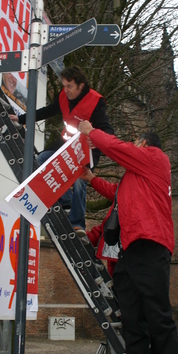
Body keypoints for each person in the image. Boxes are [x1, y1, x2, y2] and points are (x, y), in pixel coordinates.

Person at [78, 121, 178, 354]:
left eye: (135, 143)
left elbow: (118, 148)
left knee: (157, 315)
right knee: (132, 318)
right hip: (130, 250)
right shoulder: (137, 178)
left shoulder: (155, 158)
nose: (132, 148)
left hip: (150, 244)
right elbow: (116, 193)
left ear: (144, 144)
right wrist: (91, 180)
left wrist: (92, 132)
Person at [10, 65, 113, 233]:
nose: (66, 90)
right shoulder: (64, 96)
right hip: (66, 142)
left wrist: (98, 139)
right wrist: (22, 118)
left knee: (79, 179)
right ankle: (66, 202)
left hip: (86, 148)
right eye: (64, 85)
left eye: (70, 86)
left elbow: (107, 129)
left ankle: (77, 223)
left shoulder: (96, 101)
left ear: (81, 86)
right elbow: (48, 111)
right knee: (41, 159)